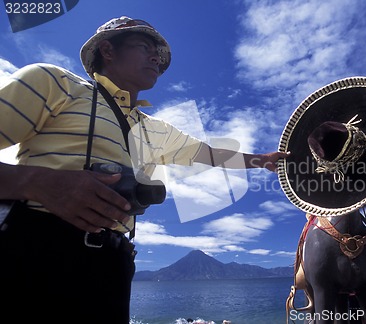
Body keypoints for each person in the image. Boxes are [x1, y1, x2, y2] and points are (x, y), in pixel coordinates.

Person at [0, 16, 288, 324]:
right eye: (144, 47)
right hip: (36, 250)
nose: (156, 57)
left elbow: (210, 154)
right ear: (108, 51)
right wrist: (34, 181)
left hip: (114, 264)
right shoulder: (54, 83)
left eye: (159, 55)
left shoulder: (155, 130)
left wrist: (262, 160)